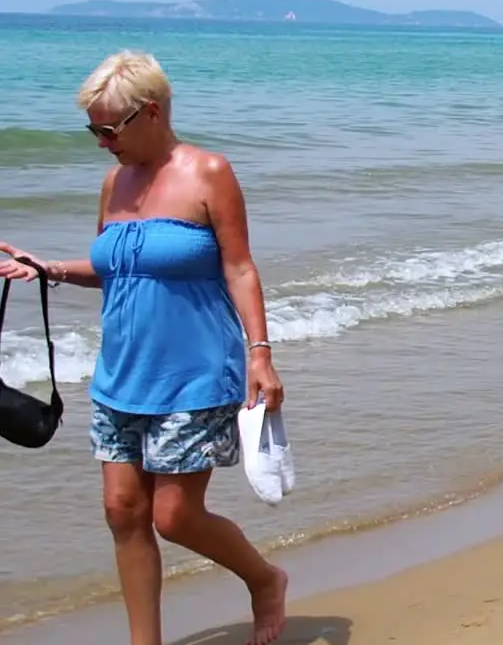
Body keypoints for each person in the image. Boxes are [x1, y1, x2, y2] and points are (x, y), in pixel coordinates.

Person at [0, 50, 288, 645]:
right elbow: (117, 269)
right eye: (93, 132)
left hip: (195, 374)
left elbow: (239, 268)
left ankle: (264, 580)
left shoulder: (208, 172)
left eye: (108, 130)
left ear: (150, 112)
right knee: (123, 513)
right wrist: (48, 268)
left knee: (174, 516)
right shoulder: (114, 183)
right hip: (119, 376)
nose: (102, 143)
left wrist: (260, 352)